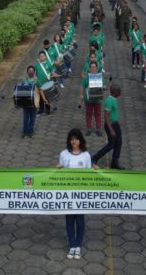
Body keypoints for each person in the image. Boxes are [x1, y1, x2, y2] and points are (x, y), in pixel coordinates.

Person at [57, 129, 92, 259]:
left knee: (80, 220)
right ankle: (72, 245)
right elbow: (59, 175)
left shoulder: (86, 155)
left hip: (81, 194)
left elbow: (90, 175)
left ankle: (78, 245)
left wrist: (96, 170)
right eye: (72, 139)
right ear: (69, 140)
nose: (74, 142)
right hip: (68, 194)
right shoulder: (64, 154)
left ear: (80, 140)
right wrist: (58, 169)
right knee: (69, 220)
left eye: (76, 139)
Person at [91, 83, 123, 169]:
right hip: (111, 125)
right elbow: (106, 116)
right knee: (111, 144)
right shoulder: (109, 100)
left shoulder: (114, 99)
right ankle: (94, 158)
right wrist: (111, 130)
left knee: (118, 143)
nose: (120, 92)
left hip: (115, 124)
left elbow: (113, 113)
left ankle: (114, 163)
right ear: (113, 92)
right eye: (118, 91)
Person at [78, 62, 105, 136]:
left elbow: (104, 87)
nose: (93, 68)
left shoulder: (100, 77)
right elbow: (82, 86)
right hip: (88, 99)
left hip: (97, 100)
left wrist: (104, 88)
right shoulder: (86, 78)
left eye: (94, 67)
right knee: (88, 114)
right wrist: (81, 94)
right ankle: (88, 128)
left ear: (97, 68)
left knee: (98, 114)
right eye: (92, 67)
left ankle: (98, 129)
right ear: (90, 68)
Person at [22, 66, 38, 138]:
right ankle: (25, 131)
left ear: (34, 72)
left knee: (32, 118)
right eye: (29, 70)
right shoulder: (24, 81)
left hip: (34, 102)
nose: (30, 72)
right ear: (27, 72)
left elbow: (40, 90)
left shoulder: (37, 81)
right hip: (26, 102)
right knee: (25, 118)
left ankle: (30, 131)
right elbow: (20, 91)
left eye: (32, 70)